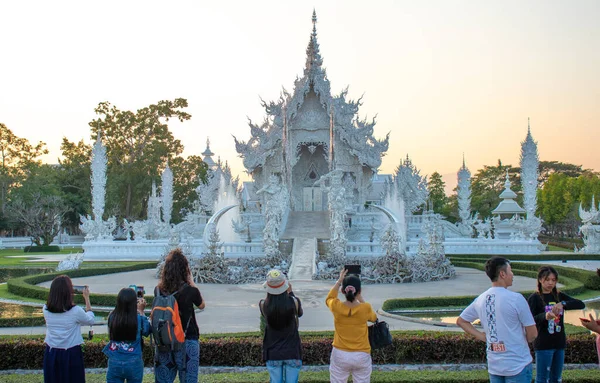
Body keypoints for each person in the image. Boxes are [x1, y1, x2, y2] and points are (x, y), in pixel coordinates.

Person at [456, 256, 538, 383]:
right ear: (502, 274)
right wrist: (518, 343)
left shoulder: (481, 299)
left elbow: (461, 321)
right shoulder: (516, 298)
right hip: (517, 364)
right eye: (510, 271)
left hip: (495, 366)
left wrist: (482, 336)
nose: (513, 274)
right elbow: (533, 334)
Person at [154, 248, 205, 383]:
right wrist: (192, 283)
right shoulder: (190, 290)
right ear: (185, 270)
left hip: (165, 339)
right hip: (187, 339)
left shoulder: (159, 290)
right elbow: (202, 305)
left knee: (163, 380)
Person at [528, 265, 585, 383]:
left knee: (556, 378)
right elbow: (531, 319)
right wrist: (545, 316)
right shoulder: (535, 298)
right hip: (543, 343)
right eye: (547, 280)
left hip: (559, 343)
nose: (550, 283)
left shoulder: (559, 296)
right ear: (540, 280)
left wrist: (563, 304)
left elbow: (580, 304)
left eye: (553, 280)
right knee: (542, 379)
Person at [326, 268, 377, 383]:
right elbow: (374, 318)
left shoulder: (336, 306)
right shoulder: (365, 308)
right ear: (359, 291)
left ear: (343, 291)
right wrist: (360, 298)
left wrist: (339, 281)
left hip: (340, 353)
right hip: (361, 354)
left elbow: (329, 298)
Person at [43, 275, 95, 383]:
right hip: (71, 353)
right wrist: (87, 299)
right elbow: (90, 320)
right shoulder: (75, 311)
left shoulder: (45, 309)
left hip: (52, 351)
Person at [259, 269, 303, 383]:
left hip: (273, 352)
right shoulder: (294, 302)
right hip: (292, 351)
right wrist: (291, 293)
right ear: (286, 286)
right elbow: (300, 314)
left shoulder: (263, 304)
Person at [103, 287, 152, 383]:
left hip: (114, 360)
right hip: (134, 361)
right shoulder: (138, 319)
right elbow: (147, 331)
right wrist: (141, 311)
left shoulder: (112, 317)